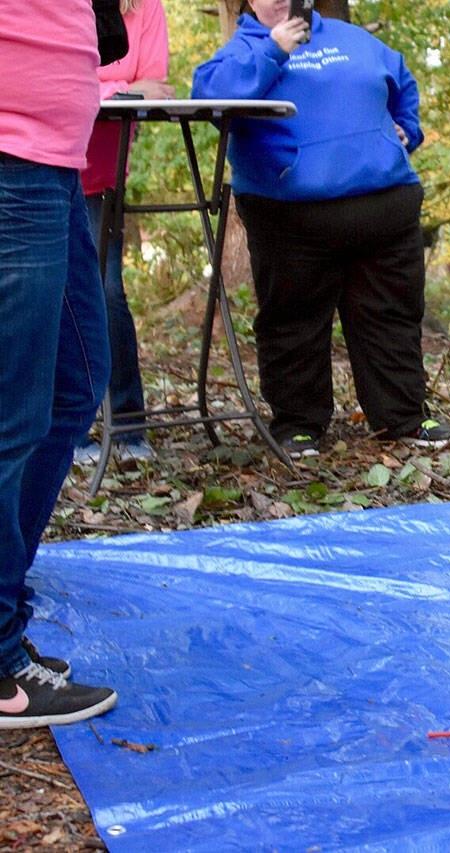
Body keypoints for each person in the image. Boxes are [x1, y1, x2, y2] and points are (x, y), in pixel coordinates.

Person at [191, 0, 450, 459]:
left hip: (383, 205)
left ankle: (403, 416)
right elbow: (207, 99)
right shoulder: (242, 50)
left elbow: (401, 80)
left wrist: (408, 127)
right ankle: (299, 424)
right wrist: (273, 51)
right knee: (294, 321)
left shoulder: (354, 40)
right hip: (291, 215)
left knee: (390, 315)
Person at [0, 0, 119, 727]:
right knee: (11, 416)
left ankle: (6, 610)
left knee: (77, 382)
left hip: (53, 158)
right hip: (11, 151)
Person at [75, 0, 174, 468]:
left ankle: (129, 424)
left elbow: (155, 83)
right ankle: (69, 432)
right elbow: (60, 78)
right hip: (39, 163)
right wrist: (121, 88)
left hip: (103, 172)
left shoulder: (145, 8)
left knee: (108, 292)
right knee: (51, 297)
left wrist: (106, 91)